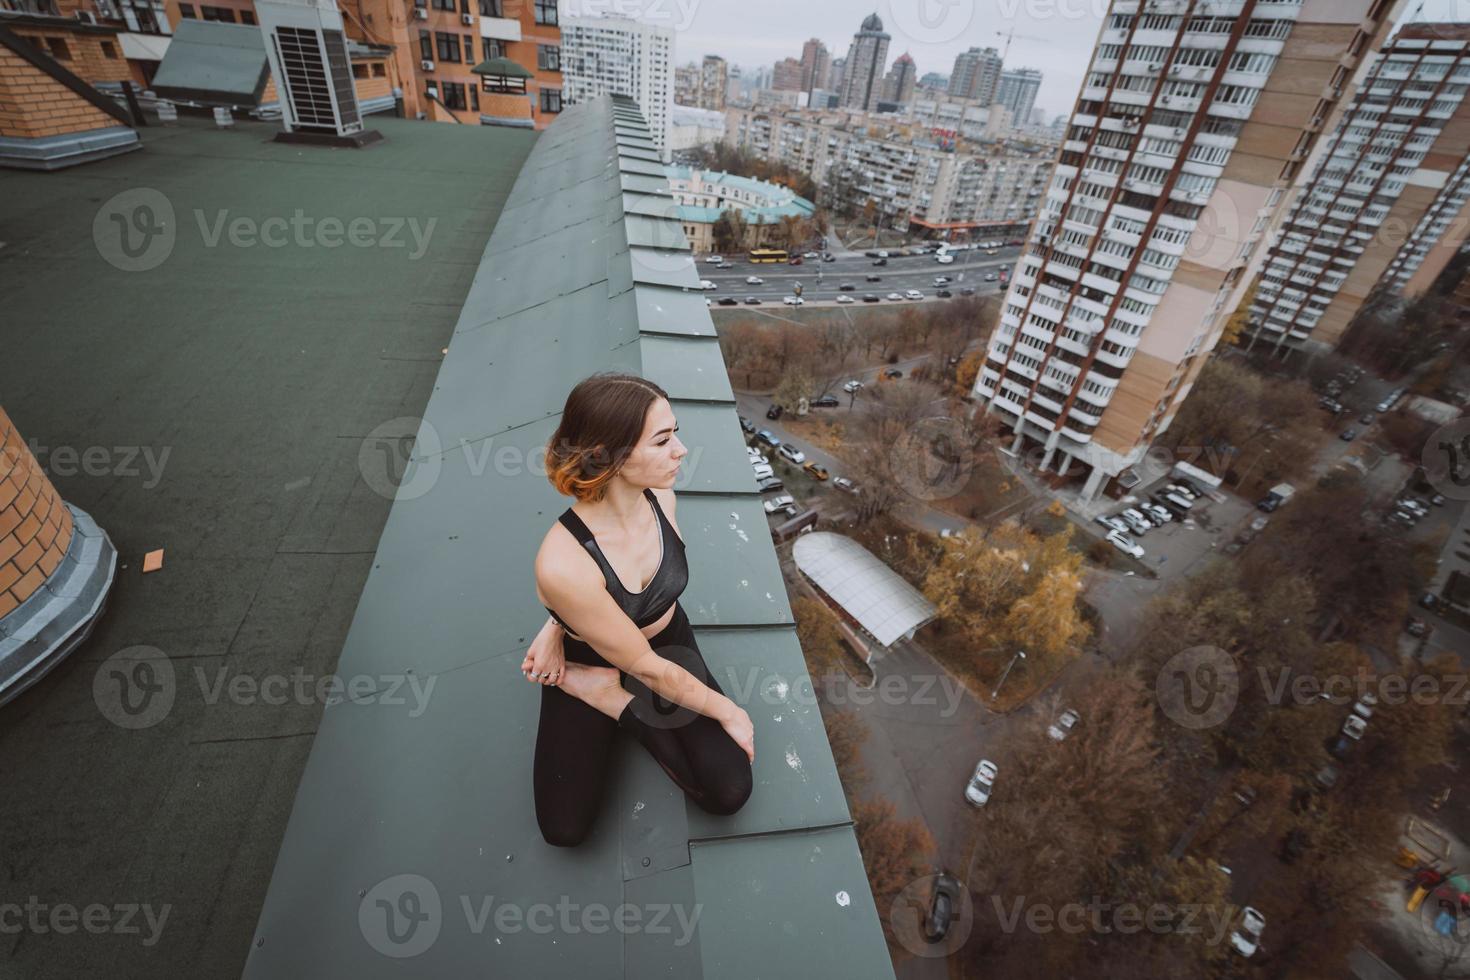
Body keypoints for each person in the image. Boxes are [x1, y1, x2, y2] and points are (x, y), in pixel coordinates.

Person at [526, 372, 755, 847]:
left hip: (670, 642)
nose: (681, 450)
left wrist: (551, 624)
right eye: (663, 440)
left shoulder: (663, 498)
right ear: (608, 454)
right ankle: (603, 694)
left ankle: (615, 701)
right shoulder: (563, 562)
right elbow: (644, 666)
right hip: (597, 659)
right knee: (564, 828)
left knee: (729, 789)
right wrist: (729, 710)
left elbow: (655, 655)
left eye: (676, 433)